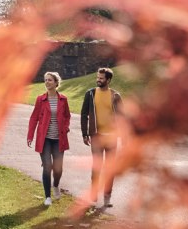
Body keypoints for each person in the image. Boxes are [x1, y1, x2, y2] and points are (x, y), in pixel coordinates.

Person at [80, 67, 123, 209]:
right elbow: (84, 114)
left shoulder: (115, 96)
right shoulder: (90, 94)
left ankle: (107, 197)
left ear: (108, 80)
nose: (98, 80)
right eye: (97, 77)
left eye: (101, 78)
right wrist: (85, 133)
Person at [26, 71, 71, 206]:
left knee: (58, 168)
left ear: (56, 83)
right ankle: (47, 197)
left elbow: (67, 116)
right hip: (44, 139)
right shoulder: (40, 99)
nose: (47, 82)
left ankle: (56, 185)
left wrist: (66, 127)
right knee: (47, 167)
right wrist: (30, 135)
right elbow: (34, 118)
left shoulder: (63, 99)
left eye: (50, 80)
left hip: (58, 138)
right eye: (45, 80)